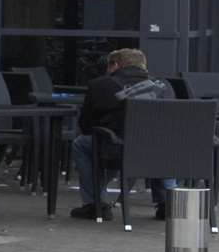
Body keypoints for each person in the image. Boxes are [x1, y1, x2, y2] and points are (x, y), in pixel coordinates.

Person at [69, 47, 176, 220]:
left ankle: (95, 204)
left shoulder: (101, 85)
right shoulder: (164, 87)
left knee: (82, 144)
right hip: (162, 152)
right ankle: (167, 203)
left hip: (121, 148)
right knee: (159, 141)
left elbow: (86, 125)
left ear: (115, 65)